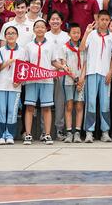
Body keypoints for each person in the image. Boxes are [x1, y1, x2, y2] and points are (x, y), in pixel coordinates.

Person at [22, 20, 66, 145]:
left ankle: (47, 134)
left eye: (42, 27)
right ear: (34, 29)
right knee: (30, 107)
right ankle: (28, 134)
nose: (40, 29)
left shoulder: (51, 45)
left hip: (47, 80)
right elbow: (26, 64)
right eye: (37, 27)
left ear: (45, 29)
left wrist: (62, 67)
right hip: (31, 80)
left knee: (46, 107)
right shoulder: (29, 46)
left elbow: (54, 62)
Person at [80, 10, 112, 143]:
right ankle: (89, 132)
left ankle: (105, 132)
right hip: (92, 72)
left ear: (109, 21)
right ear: (98, 20)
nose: (104, 22)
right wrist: (86, 33)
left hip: (105, 73)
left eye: (107, 20)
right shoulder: (91, 34)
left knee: (105, 104)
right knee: (91, 103)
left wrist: (110, 71)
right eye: (102, 19)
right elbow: (82, 48)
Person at [0, 25, 25, 145]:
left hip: (15, 86)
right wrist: (5, 63)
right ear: (5, 36)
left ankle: (10, 135)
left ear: (17, 36)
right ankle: (0, 135)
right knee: (1, 110)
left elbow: (25, 69)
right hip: (1, 85)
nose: (11, 35)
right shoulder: (0, 50)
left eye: (13, 33)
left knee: (12, 111)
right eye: (8, 33)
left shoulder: (22, 51)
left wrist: (20, 81)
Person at [45, 11, 70, 141]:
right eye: (52, 19)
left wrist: (60, 68)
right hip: (46, 73)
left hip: (61, 73)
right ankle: (45, 131)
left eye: (57, 19)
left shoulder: (66, 36)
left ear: (61, 21)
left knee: (60, 103)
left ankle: (60, 130)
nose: (55, 21)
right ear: (48, 21)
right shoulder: (44, 35)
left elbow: (67, 55)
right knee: (45, 103)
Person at [61, 23, 86, 143]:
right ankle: (69, 132)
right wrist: (73, 77)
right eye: (74, 32)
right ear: (69, 34)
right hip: (69, 80)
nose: (76, 35)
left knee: (79, 105)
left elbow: (86, 63)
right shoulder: (64, 47)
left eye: (78, 33)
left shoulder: (84, 47)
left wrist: (81, 78)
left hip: (82, 80)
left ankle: (77, 132)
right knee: (69, 105)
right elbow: (64, 64)